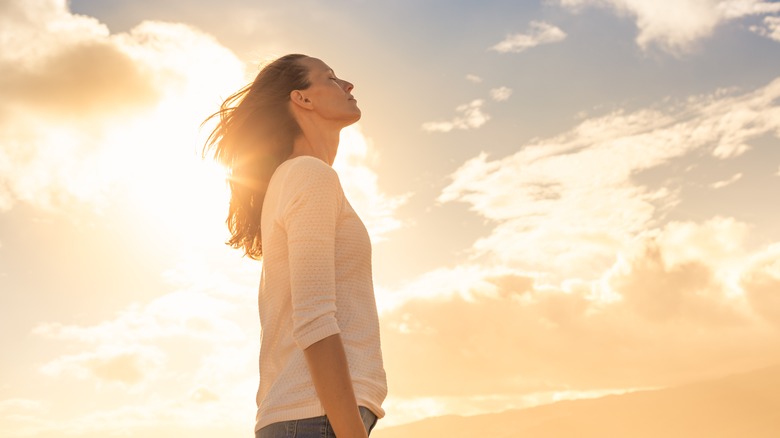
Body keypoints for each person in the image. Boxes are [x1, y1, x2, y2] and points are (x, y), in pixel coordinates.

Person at [202, 54, 387, 438]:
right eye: (332, 78)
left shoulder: (292, 178)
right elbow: (315, 319)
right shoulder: (308, 174)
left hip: (308, 418)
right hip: (317, 419)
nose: (348, 86)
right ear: (302, 99)